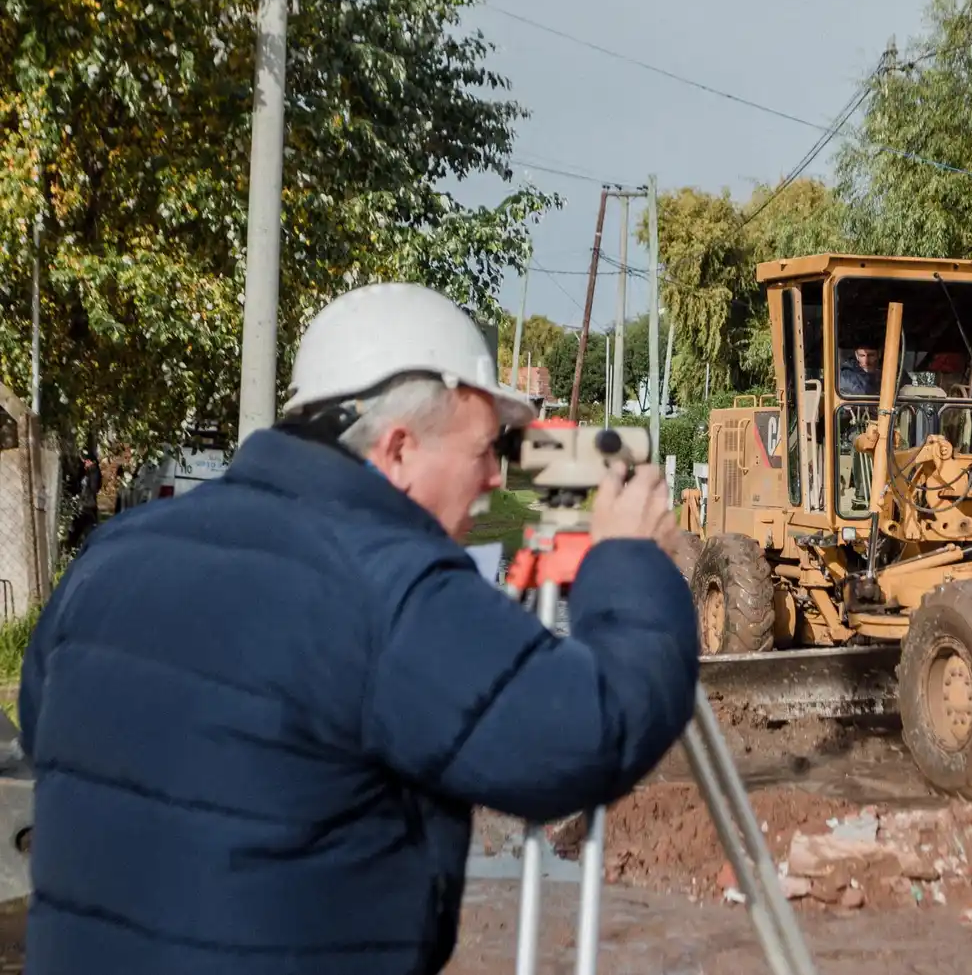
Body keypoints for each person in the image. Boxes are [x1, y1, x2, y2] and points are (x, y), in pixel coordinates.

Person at [17, 283, 701, 975]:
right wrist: (628, 560)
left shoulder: (112, 556)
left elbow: (50, 730)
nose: (498, 478)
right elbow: (586, 733)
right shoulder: (390, 586)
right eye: (483, 450)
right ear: (398, 450)